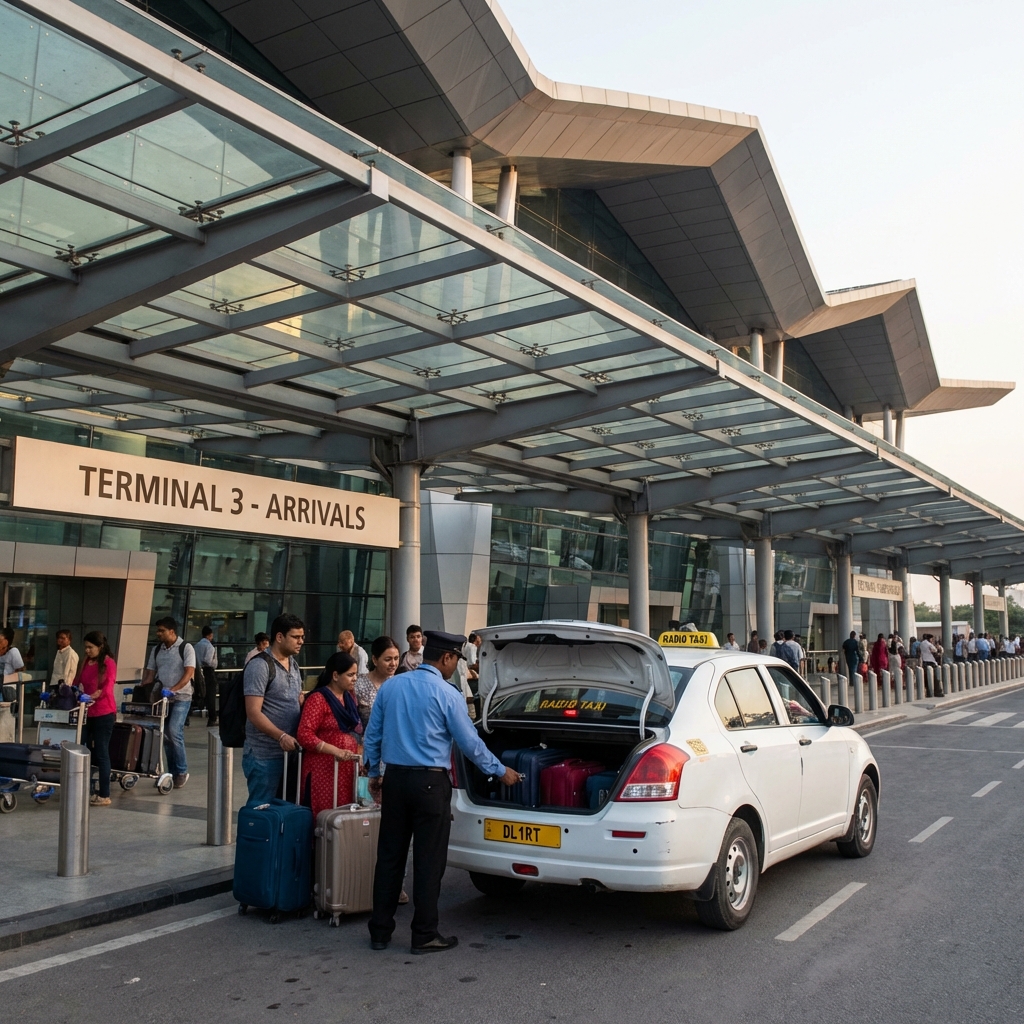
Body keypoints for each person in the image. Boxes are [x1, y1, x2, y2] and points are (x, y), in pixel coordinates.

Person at [364, 630, 520, 954]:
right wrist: (499, 770)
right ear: (447, 657)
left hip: (394, 779)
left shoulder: (391, 686)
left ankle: (379, 931)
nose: (455, 668)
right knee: (428, 861)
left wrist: (373, 772)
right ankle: (424, 934)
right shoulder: (447, 695)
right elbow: (471, 745)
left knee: (389, 858)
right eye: (455, 661)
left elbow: (373, 734)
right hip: (430, 785)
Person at [242, 614, 305, 806]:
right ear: (279, 637)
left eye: (302, 637)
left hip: (289, 755)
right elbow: (253, 712)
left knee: (283, 812)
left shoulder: (293, 664)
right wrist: (281, 736)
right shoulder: (259, 665)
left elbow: (297, 698)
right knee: (261, 810)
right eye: (295, 637)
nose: (301, 641)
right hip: (264, 756)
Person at [297, 651, 363, 817]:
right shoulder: (318, 699)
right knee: (323, 815)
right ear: (335, 675)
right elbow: (304, 734)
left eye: (356, 674)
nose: (354, 678)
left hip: (345, 770)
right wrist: (335, 751)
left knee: (342, 817)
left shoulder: (348, 698)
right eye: (350, 675)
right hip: (323, 770)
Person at [141, 617, 195, 789]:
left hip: (182, 697)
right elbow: (150, 673)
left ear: (172, 631)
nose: (158, 634)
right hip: (162, 698)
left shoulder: (186, 648)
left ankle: (181, 771)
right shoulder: (157, 649)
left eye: (161, 630)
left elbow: (189, 672)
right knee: (164, 734)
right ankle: (171, 771)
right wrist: (142, 690)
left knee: (173, 731)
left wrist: (174, 688)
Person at [79, 631, 117, 808]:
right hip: (87, 712)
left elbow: (107, 686)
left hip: (104, 712)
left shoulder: (108, 663)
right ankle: (81, 788)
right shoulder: (87, 661)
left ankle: (104, 794)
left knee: (101, 752)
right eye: (85, 647)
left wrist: (94, 696)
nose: (87, 650)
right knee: (81, 748)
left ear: (100, 647)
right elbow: (77, 681)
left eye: (90, 647)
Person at [355, 636, 401, 729]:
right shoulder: (359, 684)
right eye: (388, 659)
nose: (393, 663)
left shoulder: (399, 684)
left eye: (396, 658)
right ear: (375, 660)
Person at [195, 625, 219, 724]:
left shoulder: (196, 645)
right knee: (211, 695)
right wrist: (214, 663)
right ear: (210, 635)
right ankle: (212, 717)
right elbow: (208, 661)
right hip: (208, 671)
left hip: (197, 671)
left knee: (198, 692)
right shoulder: (209, 646)